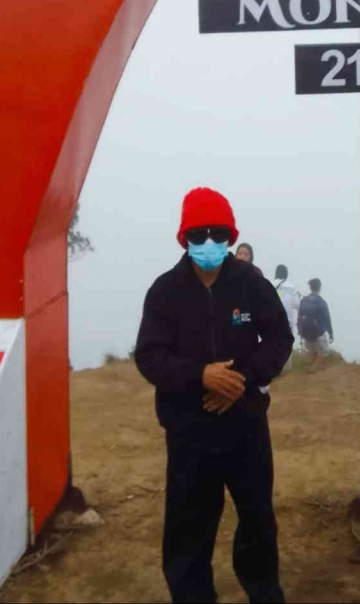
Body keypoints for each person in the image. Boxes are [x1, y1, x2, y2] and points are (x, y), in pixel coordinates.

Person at [135, 187, 293, 604]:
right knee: (188, 530)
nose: (208, 243)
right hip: (189, 433)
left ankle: (264, 594)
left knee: (258, 522)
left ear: (230, 235)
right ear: (183, 238)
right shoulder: (165, 291)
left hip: (246, 428)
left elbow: (279, 337)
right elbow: (149, 356)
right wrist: (199, 376)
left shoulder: (251, 285)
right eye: (198, 234)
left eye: (218, 233)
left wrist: (241, 380)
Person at [297, 278, 334, 369]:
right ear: (319, 287)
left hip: (306, 332)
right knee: (324, 352)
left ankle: (312, 366)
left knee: (312, 352)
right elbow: (327, 319)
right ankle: (312, 368)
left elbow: (299, 317)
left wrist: (300, 331)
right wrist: (330, 333)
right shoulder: (321, 302)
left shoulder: (303, 300)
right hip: (318, 333)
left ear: (310, 288)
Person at [273, 265, 301, 372]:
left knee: (273, 344)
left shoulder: (269, 284)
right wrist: (298, 296)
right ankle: (287, 370)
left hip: (272, 319)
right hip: (287, 320)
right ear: (286, 273)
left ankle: (274, 369)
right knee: (287, 344)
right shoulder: (291, 287)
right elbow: (297, 305)